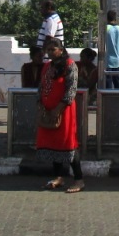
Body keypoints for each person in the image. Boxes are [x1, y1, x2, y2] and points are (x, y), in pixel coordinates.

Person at [36, 38, 85, 193]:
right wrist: (40, 104)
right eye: (48, 50)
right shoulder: (46, 67)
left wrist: (58, 108)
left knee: (68, 143)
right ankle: (58, 177)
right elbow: (41, 86)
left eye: (53, 49)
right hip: (48, 110)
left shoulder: (70, 65)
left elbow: (71, 89)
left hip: (64, 111)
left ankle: (78, 180)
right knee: (53, 144)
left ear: (61, 50)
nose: (50, 52)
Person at [104, 9, 119, 89]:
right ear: (115, 19)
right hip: (117, 60)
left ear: (106, 19)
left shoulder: (105, 29)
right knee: (117, 81)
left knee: (108, 84)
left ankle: (107, 100)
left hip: (107, 61)